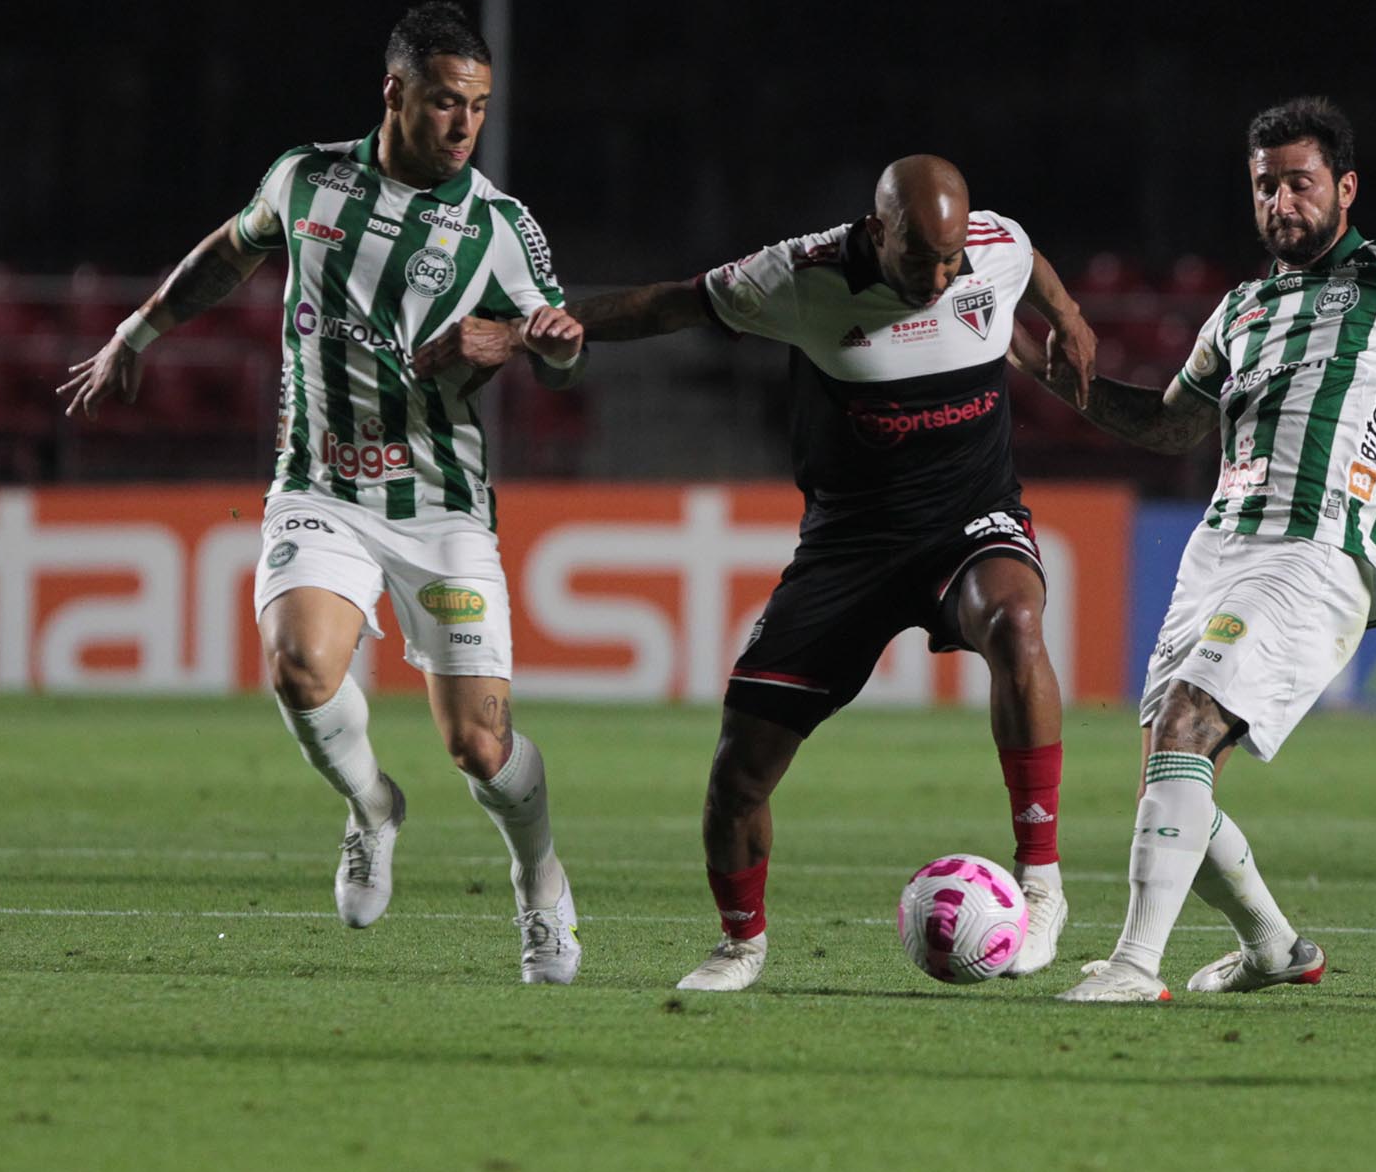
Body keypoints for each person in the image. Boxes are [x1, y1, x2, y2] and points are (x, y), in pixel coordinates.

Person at [424, 155, 1099, 990]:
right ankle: (741, 943)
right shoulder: (801, 274)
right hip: (847, 548)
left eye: (951, 258)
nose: (939, 275)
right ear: (877, 230)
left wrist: (1065, 313)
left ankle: (1042, 881)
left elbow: (1026, 258)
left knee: (1018, 619)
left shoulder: (989, 245)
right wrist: (538, 329)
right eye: (919, 256)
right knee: (737, 773)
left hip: (969, 520)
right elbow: (674, 300)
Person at [60, 2, 591, 984]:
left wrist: (521, 341)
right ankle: (370, 807)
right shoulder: (306, 179)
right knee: (301, 666)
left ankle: (539, 881)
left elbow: (565, 357)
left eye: (476, 105)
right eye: (443, 103)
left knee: (478, 746)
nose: (464, 124)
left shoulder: (502, 229)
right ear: (394, 93)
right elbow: (232, 245)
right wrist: (138, 332)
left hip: (442, 510)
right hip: (321, 487)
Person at [1011, 96, 1376, 1003]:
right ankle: (1275, 948)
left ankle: (1133, 965)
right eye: (1265, 186)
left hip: (1317, 550)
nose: (1281, 202)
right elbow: (1165, 426)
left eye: (1300, 183)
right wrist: (1035, 362)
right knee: (1170, 762)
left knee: (1189, 722)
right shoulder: (1238, 311)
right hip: (1220, 550)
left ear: (1345, 188)